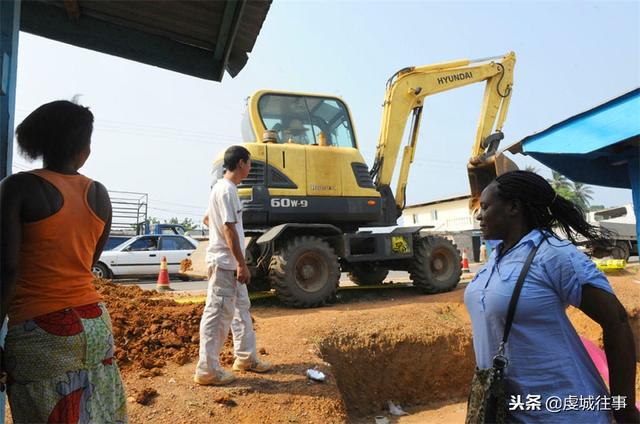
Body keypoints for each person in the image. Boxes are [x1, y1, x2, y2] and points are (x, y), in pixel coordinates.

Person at [465, 170, 638, 423]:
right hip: (510, 411)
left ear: (513, 207)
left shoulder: (553, 255)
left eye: (486, 207)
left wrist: (624, 409)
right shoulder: (496, 257)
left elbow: (617, 322)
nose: (479, 215)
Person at [0, 100, 127, 422]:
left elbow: (6, 269)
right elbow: (88, 263)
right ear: (84, 148)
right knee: (98, 413)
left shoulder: (18, 187)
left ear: (39, 141)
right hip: (95, 320)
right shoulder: (99, 193)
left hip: (40, 330)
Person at [194, 145, 271, 386]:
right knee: (217, 315)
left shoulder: (222, 188)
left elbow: (208, 219)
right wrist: (241, 263)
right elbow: (228, 228)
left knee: (240, 309)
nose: (250, 168)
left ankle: (246, 358)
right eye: (249, 163)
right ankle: (207, 370)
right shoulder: (227, 190)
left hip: (228, 262)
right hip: (225, 264)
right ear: (240, 164)